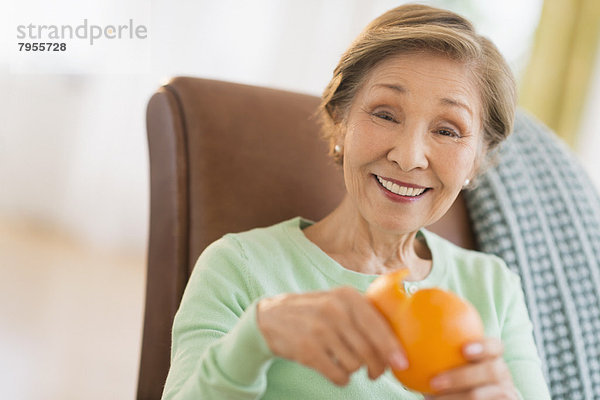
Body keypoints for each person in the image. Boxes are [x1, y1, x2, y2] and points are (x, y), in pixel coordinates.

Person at [161, 4, 550, 399]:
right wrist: (254, 340)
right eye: (385, 114)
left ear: (478, 158)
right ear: (339, 122)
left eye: (448, 131)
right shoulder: (238, 267)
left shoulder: (494, 286)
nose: (409, 156)